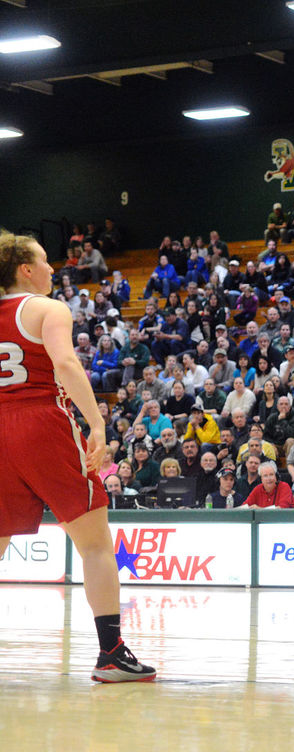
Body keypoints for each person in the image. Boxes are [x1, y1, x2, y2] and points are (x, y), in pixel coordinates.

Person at [0, 232, 154, 682]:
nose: (53, 269)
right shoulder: (48, 308)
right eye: (45, 262)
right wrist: (99, 424)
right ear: (25, 269)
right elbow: (66, 364)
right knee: (94, 543)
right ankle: (111, 654)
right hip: (40, 421)